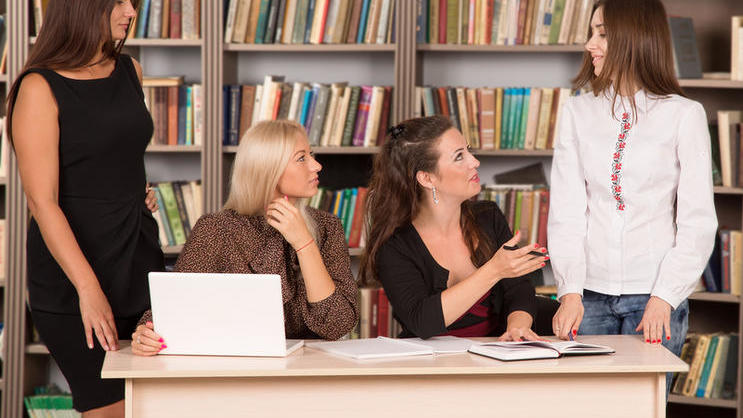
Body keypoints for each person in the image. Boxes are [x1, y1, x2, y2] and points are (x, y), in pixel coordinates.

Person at [548, 0, 717, 390]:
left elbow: (697, 222)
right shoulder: (577, 112)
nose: (590, 44)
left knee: (644, 407)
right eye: (591, 32)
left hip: (654, 298)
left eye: (603, 34)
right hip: (587, 297)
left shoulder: (684, 114)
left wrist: (666, 296)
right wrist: (570, 291)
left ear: (635, 38)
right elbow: (567, 214)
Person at [7, 0, 164, 416]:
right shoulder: (38, 87)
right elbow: (42, 202)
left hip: (137, 261)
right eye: (119, 2)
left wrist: (137, 191)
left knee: (152, 404)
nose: (131, 12)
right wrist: (88, 290)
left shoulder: (130, 70)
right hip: (73, 281)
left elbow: (114, 152)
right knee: (108, 408)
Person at [131, 120, 360, 355]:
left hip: (309, 367)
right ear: (267, 168)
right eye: (302, 158)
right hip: (234, 367)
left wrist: (304, 243)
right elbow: (172, 307)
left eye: (311, 155)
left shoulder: (327, 227)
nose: (317, 165)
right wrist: (146, 334)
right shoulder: (216, 229)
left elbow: (338, 324)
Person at [360, 115, 549, 340]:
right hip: (433, 360)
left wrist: (517, 328)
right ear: (427, 178)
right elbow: (421, 321)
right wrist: (494, 270)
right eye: (459, 156)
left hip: (497, 352)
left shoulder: (488, 216)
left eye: (468, 150)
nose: (475, 162)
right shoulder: (394, 246)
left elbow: (518, 289)